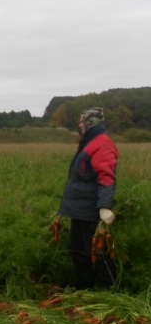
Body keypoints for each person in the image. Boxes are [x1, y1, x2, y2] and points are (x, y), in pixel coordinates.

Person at [58, 107, 118, 290]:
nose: (79, 125)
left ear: (91, 123)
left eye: (82, 121)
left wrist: (104, 206)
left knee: (97, 253)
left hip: (90, 209)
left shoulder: (102, 145)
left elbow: (106, 178)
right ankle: (84, 289)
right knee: (78, 251)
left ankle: (107, 292)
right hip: (79, 208)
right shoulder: (89, 142)